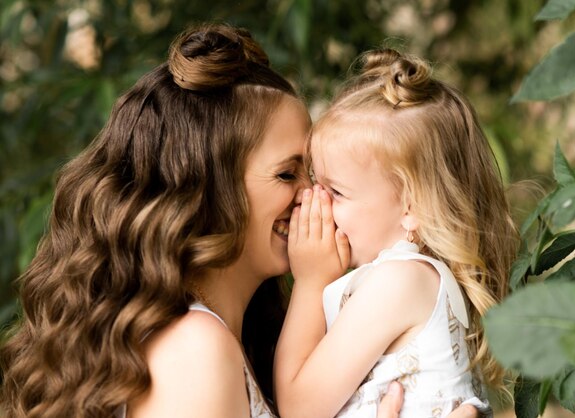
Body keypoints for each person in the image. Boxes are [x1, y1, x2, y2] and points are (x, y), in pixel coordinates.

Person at [0, 25, 481, 418]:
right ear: (208, 189)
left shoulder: (236, 339)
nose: (311, 197)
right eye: (288, 174)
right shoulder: (196, 351)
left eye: (317, 177)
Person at [274, 49, 519, 418]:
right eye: (316, 181)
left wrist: (309, 282)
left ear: (412, 208)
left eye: (335, 191)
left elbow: (297, 407)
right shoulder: (411, 278)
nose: (315, 199)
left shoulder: (401, 280)